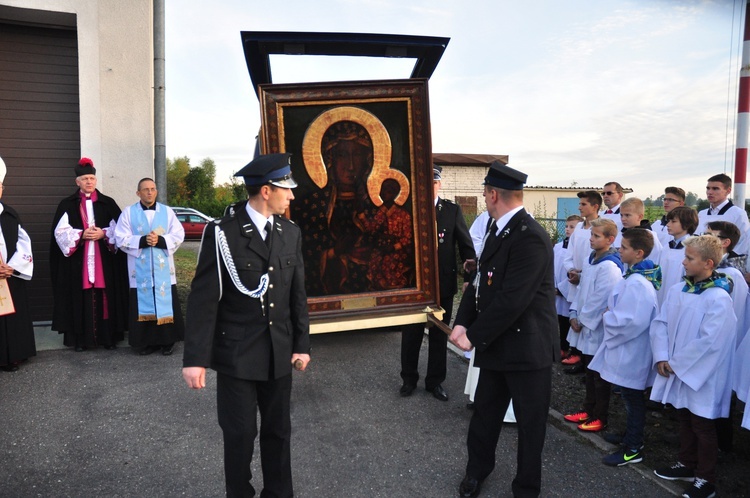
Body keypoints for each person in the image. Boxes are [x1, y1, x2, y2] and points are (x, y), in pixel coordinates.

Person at [182, 153, 310, 498]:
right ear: (266, 191)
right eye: (287, 189)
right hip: (237, 354)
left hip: (279, 352)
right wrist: (195, 358)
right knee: (239, 436)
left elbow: (297, 295)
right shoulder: (223, 234)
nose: (292, 196)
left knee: (278, 432)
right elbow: (204, 299)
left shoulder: (290, 232)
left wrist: (302, 344)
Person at [449, 161, 558, 498]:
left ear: (494, 194)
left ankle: (526, 488)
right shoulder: (499, 229)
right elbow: (479, 282)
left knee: (530, 426)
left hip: (527, 350)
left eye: (484, 195)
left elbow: (514, 299)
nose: (484, 200)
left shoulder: (531, 237)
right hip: (497, 345)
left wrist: (474, 336)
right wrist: (462, 322)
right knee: (484, 416)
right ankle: (476, 473)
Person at [650, 235, 737, 498]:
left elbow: (711, 342)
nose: (683, 262)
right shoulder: (679, 290)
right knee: (684, 416)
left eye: (689, 258)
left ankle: (706, 479)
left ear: (708, 263)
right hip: (677, 368)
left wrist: (676, 364)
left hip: (702, 374)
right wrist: (662, 356)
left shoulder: (718, 297)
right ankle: (686, 464)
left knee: (703, 425)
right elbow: (661, 323)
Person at [400, 165, 475, 401]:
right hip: (414, 285)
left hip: (442, 283)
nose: (430, 186)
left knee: (439, 335)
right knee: (411, 334)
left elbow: (465, 245)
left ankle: (435, 382)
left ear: (439, 184)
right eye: (426, 182)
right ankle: (408, 379)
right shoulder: (408, 209)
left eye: (434, 182)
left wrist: (470, 272)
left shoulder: (451, 210)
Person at [588, 228, 659, 466]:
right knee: (629, 397)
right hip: (628, 349)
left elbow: (633, 321)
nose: (619, 250)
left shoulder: (638, 283)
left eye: (625, 247)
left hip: (633, 351)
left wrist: (609, 317)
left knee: (633, 399)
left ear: (638, 253)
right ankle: (629, 435)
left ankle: (633, 447)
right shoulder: (634, 278)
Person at [50, 157, 129, 351]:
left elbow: (120, 229)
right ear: (77, 182)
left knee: (106, 296)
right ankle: (80, 340)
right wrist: (80, 234)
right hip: (78, 261)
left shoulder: (107, 203)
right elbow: (59, 232)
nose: (89, 182)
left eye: (91, 179)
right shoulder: (67, 204)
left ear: (95, 180)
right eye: (84, 179)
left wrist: (104, 233)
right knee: (79, 297)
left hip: (104, 260)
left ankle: (108, 338)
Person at [563, 219, 624, 433]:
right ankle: (588, 409)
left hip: (596, 327)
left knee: (599, 375)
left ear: (610, 240)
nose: (591, 239)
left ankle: (600, 416)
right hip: (584, 323)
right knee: (589, 371)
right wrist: (573, 311)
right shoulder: (592, 260)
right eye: (592, 235)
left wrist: (582, 319)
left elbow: (602, 298)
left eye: (597, 236)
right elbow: (583, 290)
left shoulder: (609, 266)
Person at [114, 178, 185, 355]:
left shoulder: (167, 212)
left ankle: (167, 341)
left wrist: (160, 240)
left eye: (153, 189)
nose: (149, 192)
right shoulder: (129, 213)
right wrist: (142, 240)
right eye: (145, 189)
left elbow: (178, 234)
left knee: (164, 301)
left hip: (162, 271)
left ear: (156, 191)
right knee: (143, 303)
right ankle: (147, 342)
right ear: (138, 193)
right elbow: (120, 237)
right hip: (140, 271)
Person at [0, 155, 35, 372]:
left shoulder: (10, 215)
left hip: (10, 276)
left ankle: (13, 355)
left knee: (12, 317)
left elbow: (25, 243)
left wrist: (11, 267)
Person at [561, 190, 603, 372]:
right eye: (579, 204)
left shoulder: (601, 227)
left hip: (590, 280)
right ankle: (577, 356)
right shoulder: (578, 228)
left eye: (583, 204)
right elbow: (568, 255)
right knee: (575, 317)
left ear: (595, 206)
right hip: (575, 279)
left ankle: (590, 364)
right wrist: (571, 270)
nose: (579, 207)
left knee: (589, 320)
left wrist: (583, 275)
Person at [697, 173, 750, 259]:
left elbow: (743, 243)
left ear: (728, 191)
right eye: (708, 188)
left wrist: (726, 260)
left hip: (725, 263)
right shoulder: (702, 214)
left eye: (715, 189)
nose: (710, 192)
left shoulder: (738, 213)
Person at [657, 206, 699, 307]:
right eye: (668, 221)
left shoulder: (692, 249)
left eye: (673, 221)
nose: (668, 224)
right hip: (661, 297)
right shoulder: (666, 247)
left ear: (686, 225)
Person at [555, 215, 582, 359]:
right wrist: (554, 286)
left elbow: (576, 270)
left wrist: (561, 289)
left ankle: (575, 351)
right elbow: (554, 268)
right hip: (557, 290)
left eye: (572, 227)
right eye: (567, 226)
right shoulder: (558, 246)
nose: (567, 229)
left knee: (572, 320)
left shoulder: (579, 248)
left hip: (569, 289)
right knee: (561, 321)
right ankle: (562, 348)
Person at [613, 197, 662, 264]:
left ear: (640, 217)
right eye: (621, 215)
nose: (623, 219)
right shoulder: (619, 233)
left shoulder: (649, 236)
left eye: (627, 215)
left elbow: (656, 258)